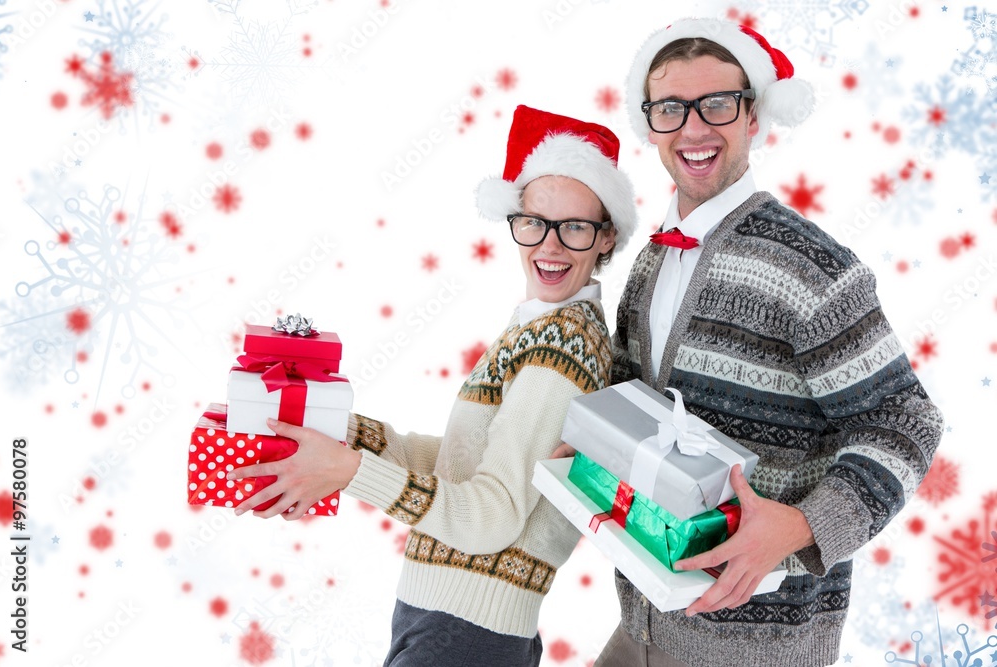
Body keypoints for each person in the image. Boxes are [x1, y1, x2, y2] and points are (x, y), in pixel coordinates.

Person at [570, 17, 942, 667]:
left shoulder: (812, 267)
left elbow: (903, 420)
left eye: (717, 103)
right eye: (671, 108)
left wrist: (802, 526)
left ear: (752, 115)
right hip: (643, 623)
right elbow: (639, 407)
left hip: (758, 646)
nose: (693, 127)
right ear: (649, 122)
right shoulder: (651, 260)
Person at [228, 105, 639, 667]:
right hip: (444, 619)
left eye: (574, 227)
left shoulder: (564, 342)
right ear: (514, 220)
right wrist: (333, 435)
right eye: (535, 222)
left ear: (606, 235)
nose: (550, 246)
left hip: (465, 632)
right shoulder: (538, 326)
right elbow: (459, 463)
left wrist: (346, 471)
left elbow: (493, 516)